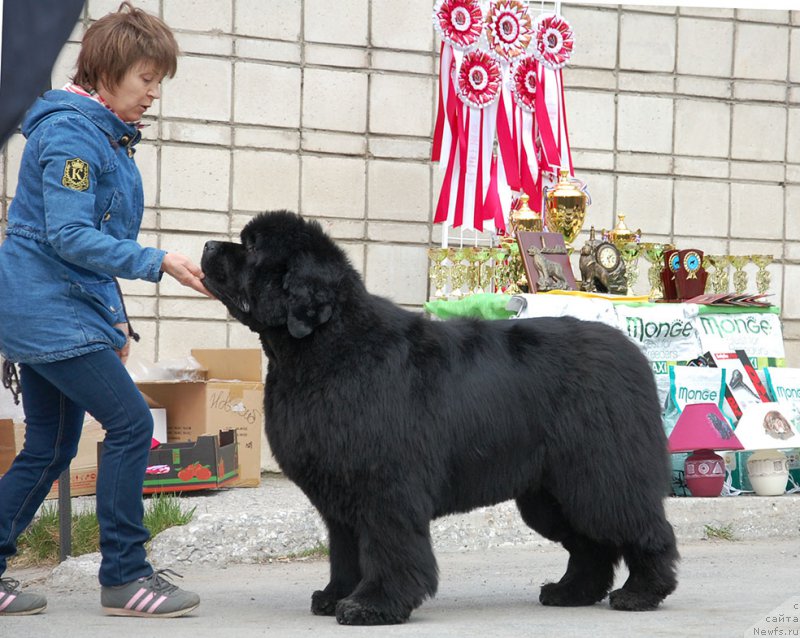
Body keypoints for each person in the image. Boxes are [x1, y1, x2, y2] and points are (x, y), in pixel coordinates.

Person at [0, 2, 209, 618]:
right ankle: (125, 577)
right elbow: (67, 236)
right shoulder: (71, 134)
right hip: (47, 311)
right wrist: (157, 260)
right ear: (108, 71)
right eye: (146, 79)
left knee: (50, 446)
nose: (153, 94)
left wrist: (113, 318)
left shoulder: (97, 133)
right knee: (131, 425)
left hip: (51, 307)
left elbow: (83, 239)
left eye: (158, 82)